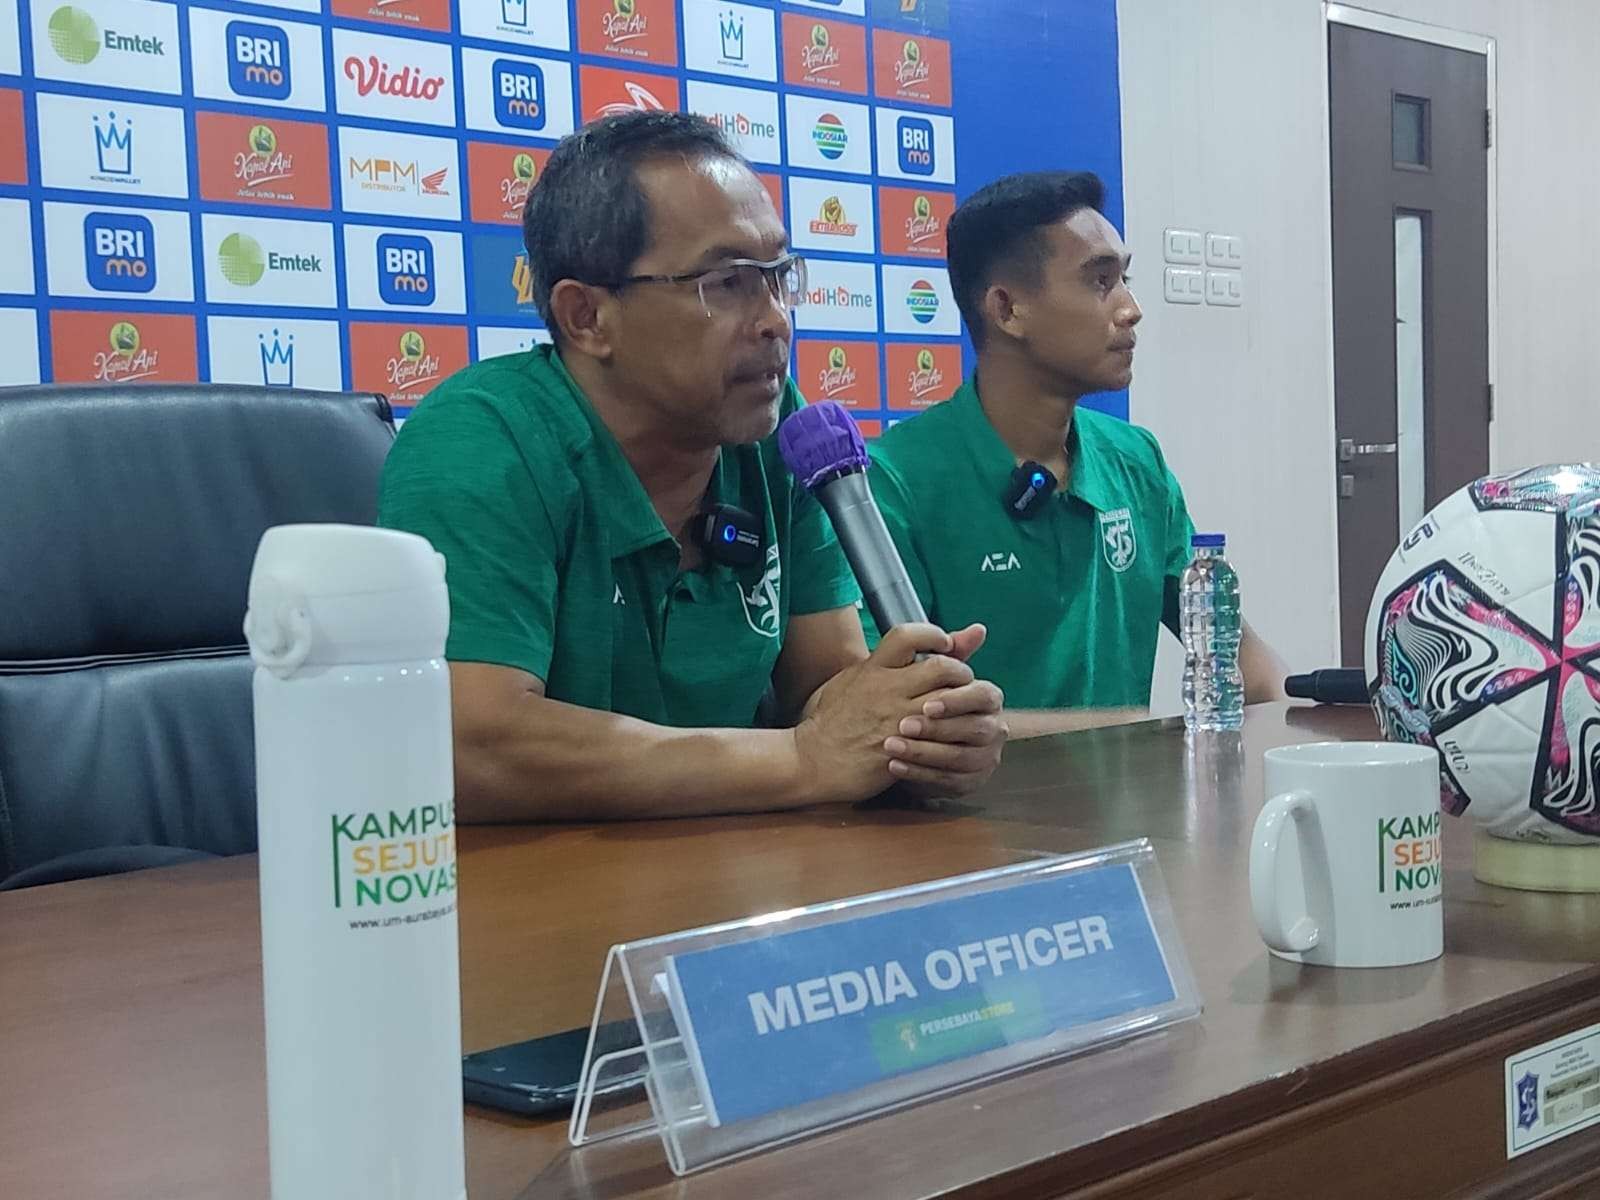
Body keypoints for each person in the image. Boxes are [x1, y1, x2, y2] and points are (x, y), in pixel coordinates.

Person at [377, 112, 1006, 820]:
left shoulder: (782, 435)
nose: (776, 321)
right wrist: (803, 760)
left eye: (778, 277)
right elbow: (471, 743)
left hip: (729, 883)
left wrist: (913, 732)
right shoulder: (482, 439)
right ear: (586, 316)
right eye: (729, 282)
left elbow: (827, 685)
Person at [865, 171, 1288, 738]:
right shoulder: (895, 481)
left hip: (1136, 815)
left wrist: (1320, 728)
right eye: (1100, 281)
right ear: (1007, 309)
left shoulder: (1135, 461)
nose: (1131, 308)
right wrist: (1148, 731)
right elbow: (911, 720)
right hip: (964, 820)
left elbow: (1243, 662)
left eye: (1125, 279)